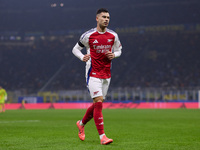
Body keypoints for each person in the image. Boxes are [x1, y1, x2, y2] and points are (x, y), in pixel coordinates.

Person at [72, 8, 122, 145]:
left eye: (108, 17)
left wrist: (115, 55)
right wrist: (82, 57)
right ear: (97, 18)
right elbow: (75, 49)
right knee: (99, 102)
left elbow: (119, 50)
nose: (106, 19)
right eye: (104, 17)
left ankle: (81, 123)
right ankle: (103, 137)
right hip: (92, 73)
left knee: (97, 104)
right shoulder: (88, 35)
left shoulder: (113, 35)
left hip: (107, 73)